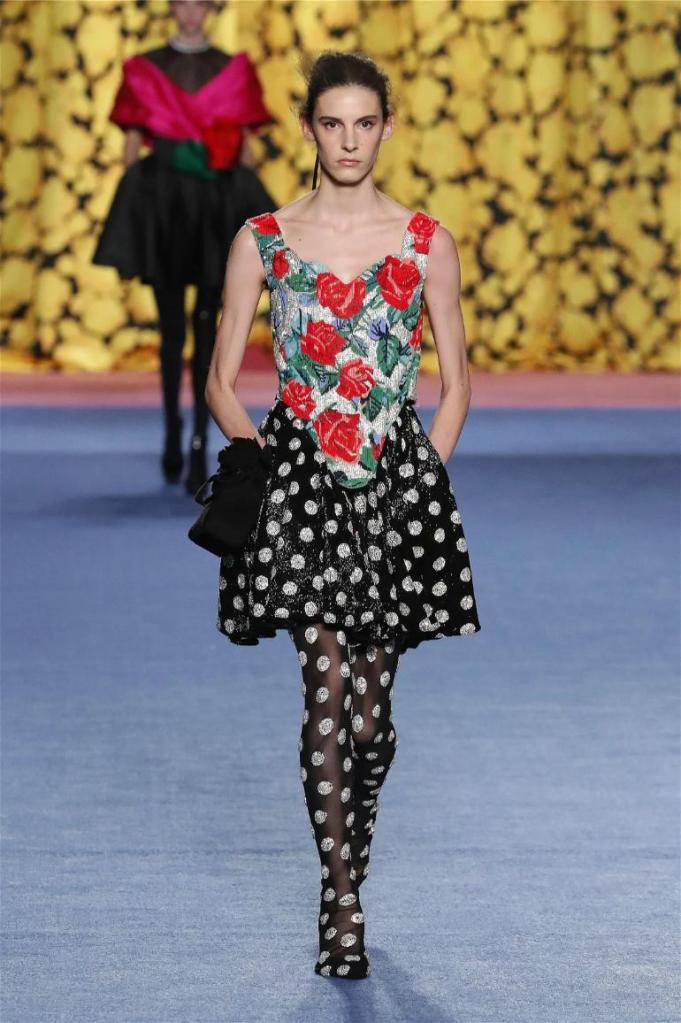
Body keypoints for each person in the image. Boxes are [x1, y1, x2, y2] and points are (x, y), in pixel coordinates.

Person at [205, 50, 481, 980]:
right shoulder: (264, 239)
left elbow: (456, 381)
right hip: (302, 489)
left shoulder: (425, 241)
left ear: (387, 127)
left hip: (394, 487)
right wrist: (259, 462)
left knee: (368, 722)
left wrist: (422, 478)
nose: (350, 140)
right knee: (323, 690)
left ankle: (350, 847)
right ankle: (341, 899)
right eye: (333, 123)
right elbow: (220, 380)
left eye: (365, 123)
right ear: (309, 129)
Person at [93, 0, 276, 493]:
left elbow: (245, 148)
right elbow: (133, 143)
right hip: (165, 206)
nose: (191, 10)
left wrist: (257, 213)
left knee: (206, 327)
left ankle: (198, 438)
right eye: (182, 1)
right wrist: (134, 206)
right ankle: (174, 430)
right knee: (173, 328)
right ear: (172, 7)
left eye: (200, 2)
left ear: (211, 8)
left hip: (216, 205)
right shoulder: (145, 68)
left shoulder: (232, 69)